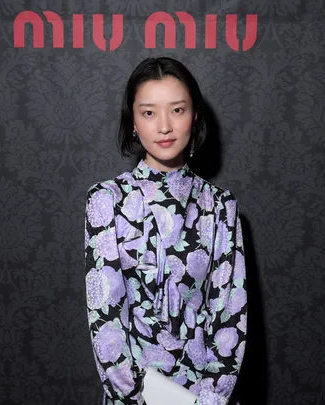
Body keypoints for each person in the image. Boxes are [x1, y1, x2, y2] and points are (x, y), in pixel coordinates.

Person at [84, 56, 247, 405]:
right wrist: (139, 395)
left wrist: (209, 399)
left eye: (177, 110)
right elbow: (106, 322)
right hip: (133, 396)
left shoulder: (219, 205)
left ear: (195, 116)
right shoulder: (106, 201)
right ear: (133, 122)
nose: (164, 127)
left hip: (206, 396)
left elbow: (230, 315)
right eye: (148, 112)